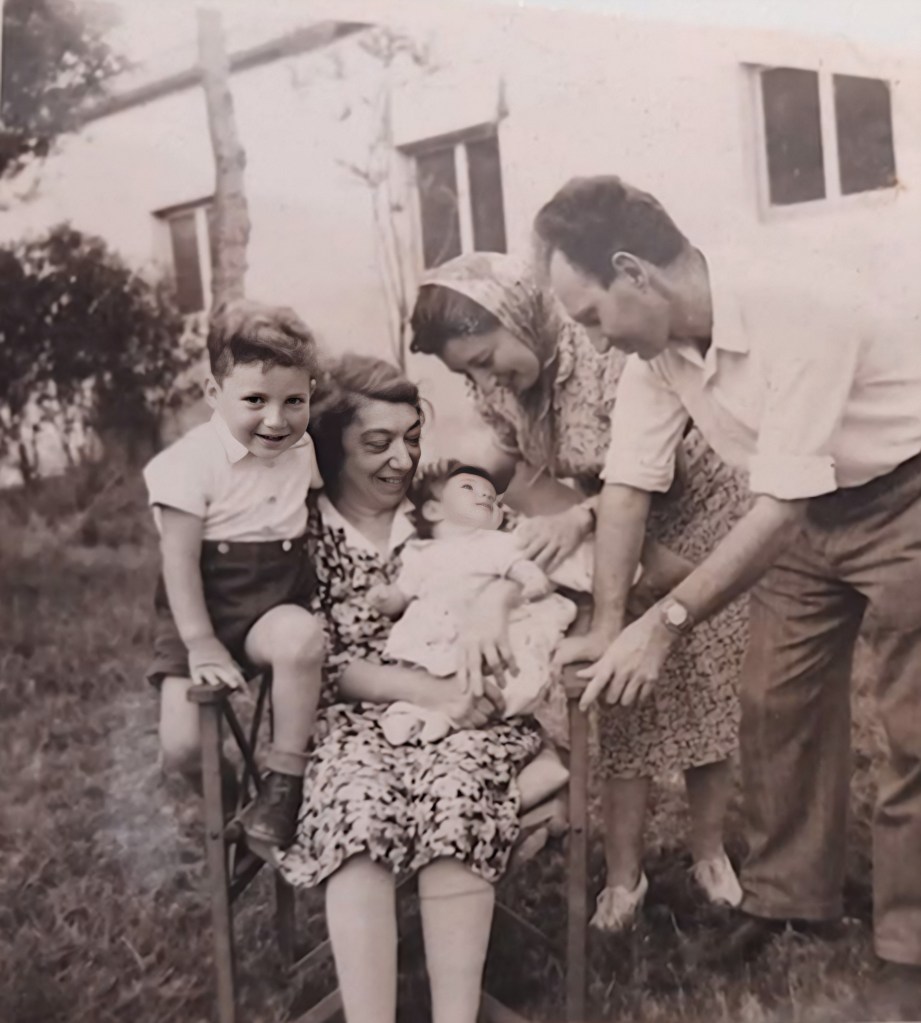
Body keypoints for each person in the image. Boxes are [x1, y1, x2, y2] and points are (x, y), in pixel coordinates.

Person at [534, 174, 921, 1016]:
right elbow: (628, 482)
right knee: (773, 700)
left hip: (905, 491)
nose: (593, 342)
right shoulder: (659, 349)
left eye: (591, 317)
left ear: (633, 272)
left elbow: (778, 508)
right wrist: (609, 622)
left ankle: (908, 948)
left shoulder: (798, 302)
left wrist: (664, 622)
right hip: (805, 505)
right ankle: (789, 898)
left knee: (913, 724)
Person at [410, 251, 747, 931]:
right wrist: (454, 506)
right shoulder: (499, 389)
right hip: (606, 527)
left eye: (486, 358)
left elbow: (664, 462)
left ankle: (709, 853)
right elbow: (513, 467)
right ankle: (624, 877)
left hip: (693, 511)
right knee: (618, 691)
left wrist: (581, 516)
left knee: (705, 688)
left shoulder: (603, 353)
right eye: (468, 372)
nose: (485, 380)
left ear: (516, 316)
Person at [278, 355, 546, 1023]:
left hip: (475, 712)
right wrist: (433, 693)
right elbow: (331, 665)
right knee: (357, 805)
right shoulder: (305, 533)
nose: (400, 459)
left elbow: (532, 561)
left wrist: (497, 600)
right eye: (377, 443)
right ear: (333, 443)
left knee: (457, 796)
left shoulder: (444, 510)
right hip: (358, 717)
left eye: (411, 438)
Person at [144, 300, 325, 850]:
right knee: (181, 747)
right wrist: (200, 642)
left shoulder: (302, 449)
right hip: (202, 611)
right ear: (213, 392)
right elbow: (178, 563)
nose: (276, 420)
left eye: (294, 401)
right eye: (255, 400)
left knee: (302, 639)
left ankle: (284, 783)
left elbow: (323, 504)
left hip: (273, 607)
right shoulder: (189, 463)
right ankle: (227, 802)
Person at [369, 460, 577, 807]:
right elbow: (402, 595)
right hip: (435, 634)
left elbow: (531, 575)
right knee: (424, 670)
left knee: (490, 677)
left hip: (479, 633)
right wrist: (385, 598)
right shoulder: (420, 553)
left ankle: (452, 719)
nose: (482, 496)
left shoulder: (495, 544)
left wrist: (527, 579)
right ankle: (416, 714)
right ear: (434, 510)